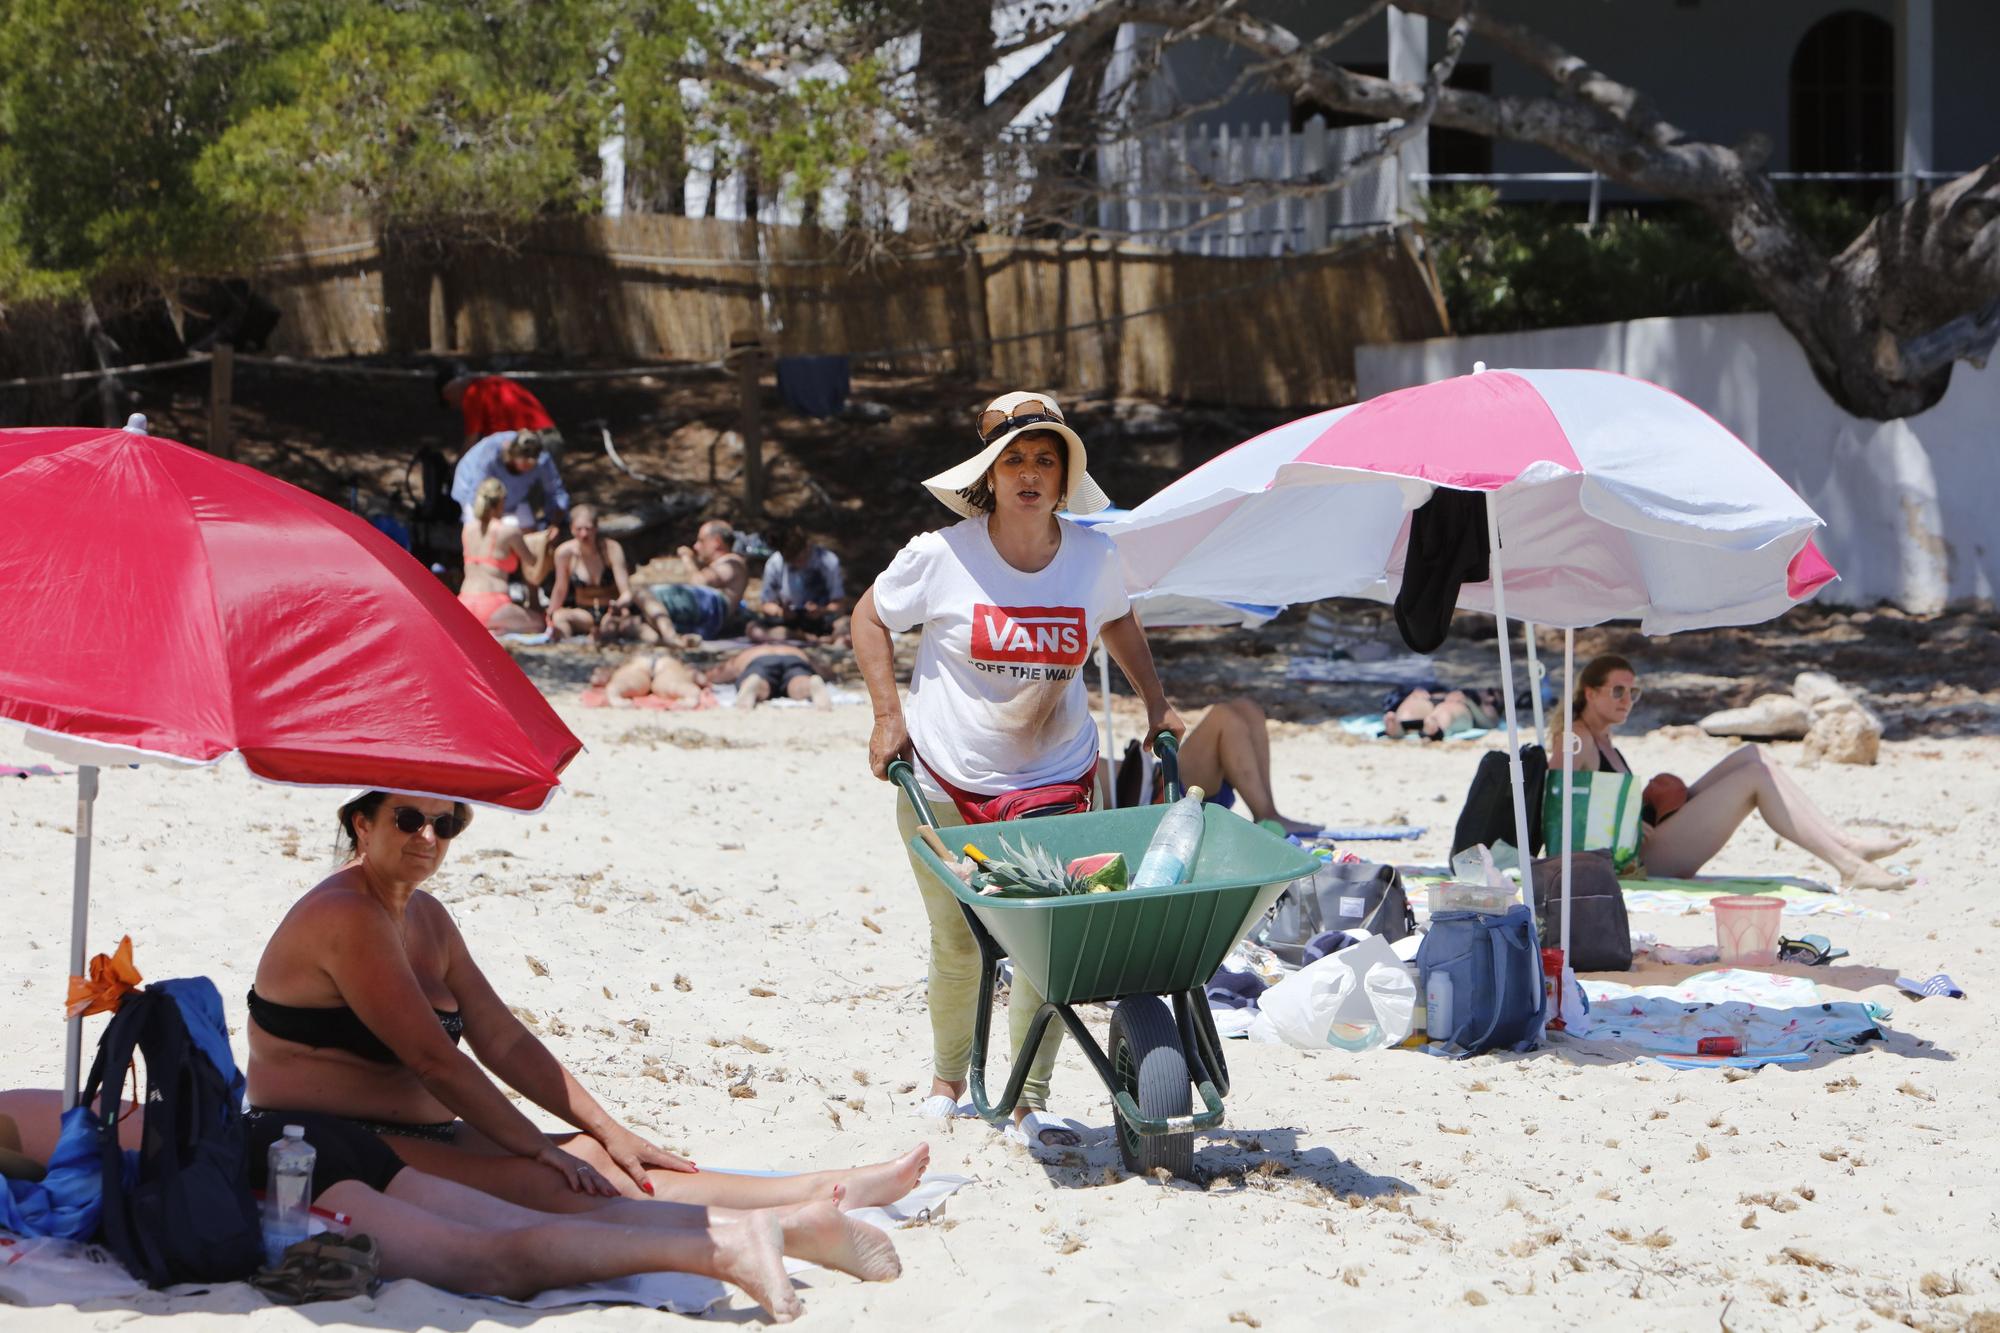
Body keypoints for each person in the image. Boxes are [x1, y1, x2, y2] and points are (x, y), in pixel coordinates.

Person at [242, 791, 932, 1220]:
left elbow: (503, 1040)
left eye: (446, 823)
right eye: (410, 818)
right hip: (313, 1139)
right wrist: (530, 1145)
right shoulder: (346, 914)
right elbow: (433, 1060)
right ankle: (806, 1205)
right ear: (362, 822)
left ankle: (825, 1188)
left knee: (601, 1160)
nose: (429, 837)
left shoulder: (427, 917)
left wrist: (608, 1127)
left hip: (418, 1132)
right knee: (567, 1182)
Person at [851, 390, 1184, 1150]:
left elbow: (1117, 620)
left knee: (1048, 944)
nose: (1029, 473)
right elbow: (869, 617)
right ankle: (947, 1082)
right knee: (960, 940)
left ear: (1064, 478)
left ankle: (1029, 1098)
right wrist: (884, 715)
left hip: (1057, 783)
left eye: (1045, 459)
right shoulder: (941, 556)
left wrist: (1156, 703)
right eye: (1014, 460)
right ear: (989, 477)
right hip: (946, 782)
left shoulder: (1094, 556)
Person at [0, 1089, 896, 1323]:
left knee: (496, 1260)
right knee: (530, 1229)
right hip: (301, 1140)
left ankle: (725, 1250)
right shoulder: (33, 1106)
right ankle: (786, 1226)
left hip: (284, 1175)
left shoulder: (15, 1122)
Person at [1557, 654, 1915, 890]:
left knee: (1752, 754)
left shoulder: (1602, 737)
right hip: (1634, 862)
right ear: (1589, 693)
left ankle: (1847, 844)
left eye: (1632, 692)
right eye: (1617, 691)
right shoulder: (1575, 737)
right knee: (1753, 779)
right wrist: (1626, 825)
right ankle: (1849, 867)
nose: (1626, 701)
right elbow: (1557, 805)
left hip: (1644, 840)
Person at [1148, 697, 1318, 835]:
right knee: (1223, 717)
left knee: (1247, 708)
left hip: (1173, 782)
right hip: (1166, 795)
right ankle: (1266, 815)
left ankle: (1268, 811)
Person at [545, 504, 678, 645]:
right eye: (579, 529)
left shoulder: (611, 549)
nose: (584, 534)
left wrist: (618, 606)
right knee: (560, 617)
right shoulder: (565, 554)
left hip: (614, 611)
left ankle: (670, 636)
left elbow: (626, 592)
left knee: (642, 597)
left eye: (588, 529)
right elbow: (560, 588)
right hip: (586, 613)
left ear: (596, 528)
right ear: (572, 529)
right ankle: (566, 644)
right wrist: (550, 614)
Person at [459, 479, 545, 635]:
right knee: (539, 624)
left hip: (464, 601)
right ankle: (499, 630)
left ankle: (494, 629)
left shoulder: (467, 529)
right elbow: (531, 561)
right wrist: (542, 542)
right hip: (493, 603)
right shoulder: (508, 531)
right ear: (501, 502)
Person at [649, 519, 749, 640]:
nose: (696, 546)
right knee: (639, 616)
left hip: (710, 611)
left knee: (645, 594)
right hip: (707, 616)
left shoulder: (732, 562)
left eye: (701, 540)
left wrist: (687, 559)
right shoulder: (722, 564)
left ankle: (670, 637)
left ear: (716, 541)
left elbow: (699, 583)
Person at [754, 522, 848, 639]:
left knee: (844, 625)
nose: (798, 564)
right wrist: (781, 612)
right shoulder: (774, 563)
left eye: (801, 558)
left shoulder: (828, 561)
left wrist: (821, 610)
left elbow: (840, 605)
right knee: (753, 628)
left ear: (807, 546)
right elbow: (766, 604)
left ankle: (817, 637)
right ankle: (805, 637)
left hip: (822, 620)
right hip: (788, 622)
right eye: (792, 561)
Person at [437, 364, 556, 449]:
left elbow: (471, 442)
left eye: (447, 399)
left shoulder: (472, 394)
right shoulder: (491, 384)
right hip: (551, 437)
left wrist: (457, 471)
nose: (454, 406)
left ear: (450, 389)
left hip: (531, 445)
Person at [706, 644, 832, 710]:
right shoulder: (794, 649)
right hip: (795, 659)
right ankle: (809, 684)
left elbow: (720, 675)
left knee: (763, 683)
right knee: (797, 680)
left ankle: (754, 683)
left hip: (761, 660)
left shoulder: (749, 652)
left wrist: (707, 675)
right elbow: (824, 671)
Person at [588, 650, 713, 708]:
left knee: (627, 682)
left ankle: (614, 695)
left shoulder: (628, 657)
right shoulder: (681, 661)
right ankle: (690, 696)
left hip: (638, 660)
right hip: (668, 661)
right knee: (673, 685)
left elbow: (599, 677)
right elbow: (700, 678)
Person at [1382, 685, 1506, 740]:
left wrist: (1468, 702)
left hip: (1460, 708)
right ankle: (1399, 726)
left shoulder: (1485, 707)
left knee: (1446, 711)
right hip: (1432, 700)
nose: (1489, 697)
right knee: (1412, 705)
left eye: (1494, 699)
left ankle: (1435, 729)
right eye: (1489, 691)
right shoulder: (1462, 690)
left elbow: (1490, 724)